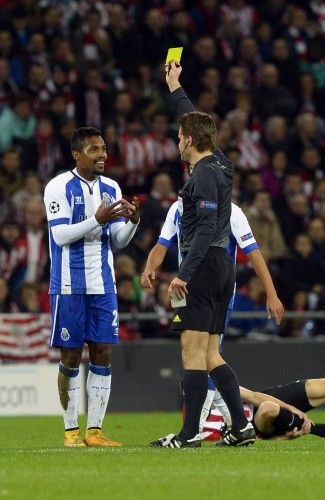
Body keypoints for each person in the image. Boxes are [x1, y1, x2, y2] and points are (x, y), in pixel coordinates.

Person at [149, 61, 258, 448]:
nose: (177, 141)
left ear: (190, 142)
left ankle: (189, 433)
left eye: (180, 137)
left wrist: (183, 274)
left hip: (205, 265)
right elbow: (194, 122)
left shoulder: (204, 176)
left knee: (192, 351)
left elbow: (209, 229)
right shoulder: (220, 163)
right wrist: (177, 88)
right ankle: (242, 426)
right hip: (220, 267)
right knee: (212, 353)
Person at [141, 199, 285, 426]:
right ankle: (236, 422)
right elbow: (162, 244)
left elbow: (253, 252)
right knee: (197, 355)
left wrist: (272, 293)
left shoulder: (231, 211)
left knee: (206, 355)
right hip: (185, 290)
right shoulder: (178, 208)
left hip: (217, 293)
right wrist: (150, 266)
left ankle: (200, 426)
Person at [43, 127, 140, 448]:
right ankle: (71, 431)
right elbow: (60, 236)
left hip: (103, 283)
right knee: (71, 356)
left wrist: (132, 223)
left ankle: (95, 431)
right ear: (77, 153)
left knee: (102, 352)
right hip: (69, 285)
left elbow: (118, 240)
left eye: (104, 149)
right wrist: (97, 219)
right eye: (94, 149)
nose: (102, 155)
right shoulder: (57, 187)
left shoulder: (111, 187)